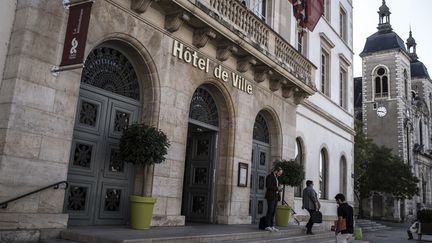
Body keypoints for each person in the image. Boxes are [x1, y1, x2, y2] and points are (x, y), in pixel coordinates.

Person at [264, 166, 283, 232]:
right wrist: (277, 188)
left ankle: (272, 226)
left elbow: (276, 187)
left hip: (275, 197)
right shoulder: (270, 176)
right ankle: (267, 226)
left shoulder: (277, 178)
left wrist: (279, 189)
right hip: (270, 196)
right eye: (280, 172)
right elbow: (268, 186)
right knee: (270, 211)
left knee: (273, 212)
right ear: (276, 171)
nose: (280, 174)